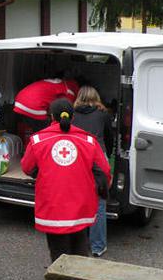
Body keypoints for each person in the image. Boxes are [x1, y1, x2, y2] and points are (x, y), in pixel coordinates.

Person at [21, 98, 111, 263]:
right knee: (80, 251)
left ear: (52, 117)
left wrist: (41, 171)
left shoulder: (38, 140)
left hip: (52, 205)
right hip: (81, 207)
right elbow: (104, 170)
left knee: (58, 255)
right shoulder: (89, 141)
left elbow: (27, 167)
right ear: (73, 117)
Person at [71, 86, 114, 257]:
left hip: (78, 156)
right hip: (96, 155)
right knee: (99, 201)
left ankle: (78, 244)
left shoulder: (72, 114)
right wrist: (108, 155)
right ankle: (97, 246)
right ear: (96, 97)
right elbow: (109, 137)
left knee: (77, 199)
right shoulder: (103, 114)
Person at [13, 77, 79, 133]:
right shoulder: (70, 91)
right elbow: (65, 109)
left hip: (19, 100)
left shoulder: (59, 84)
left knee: (31, 129)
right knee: (45, 131)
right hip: (34, 105)